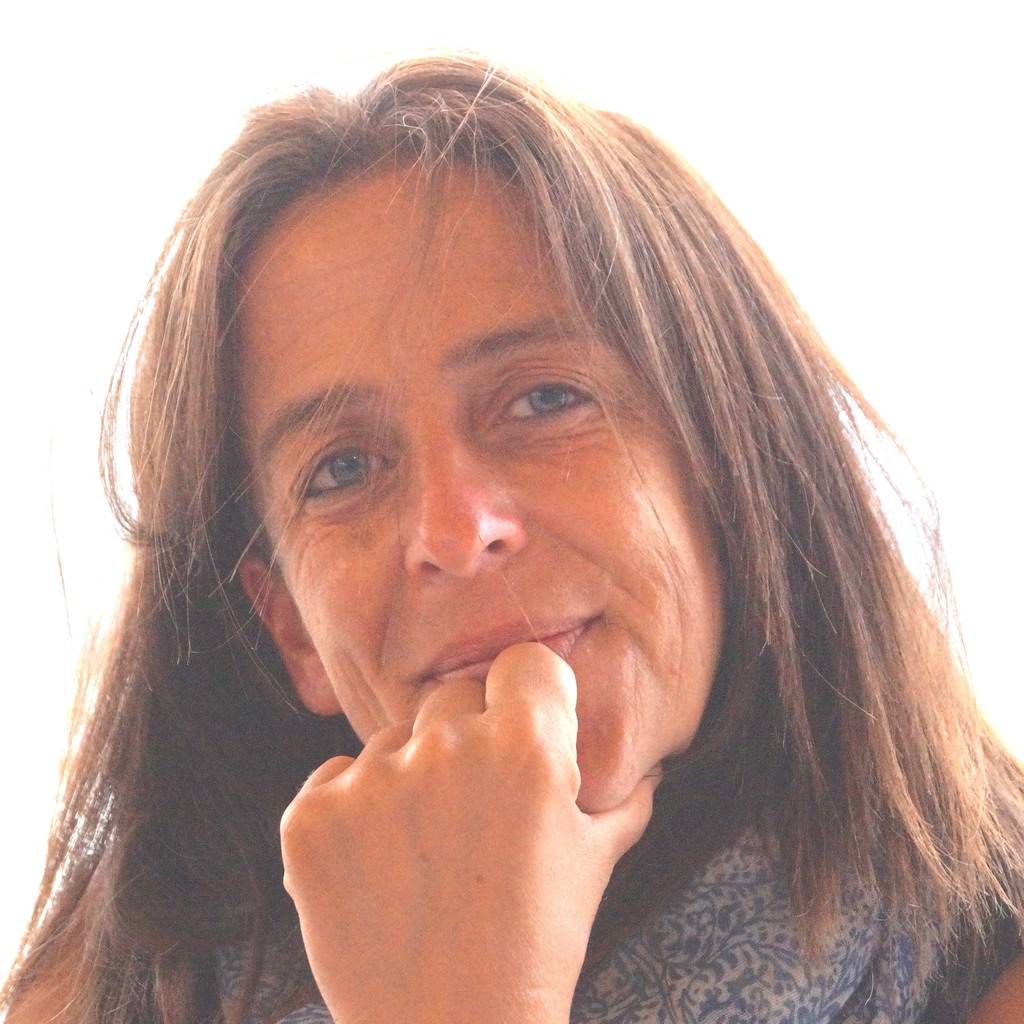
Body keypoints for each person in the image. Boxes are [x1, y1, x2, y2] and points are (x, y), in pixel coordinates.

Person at [3, 54, 1023, 1024]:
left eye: (543, 400)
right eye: (343, 469)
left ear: (734, 472)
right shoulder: (89, 995)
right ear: (293, 631)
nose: (454, 532)